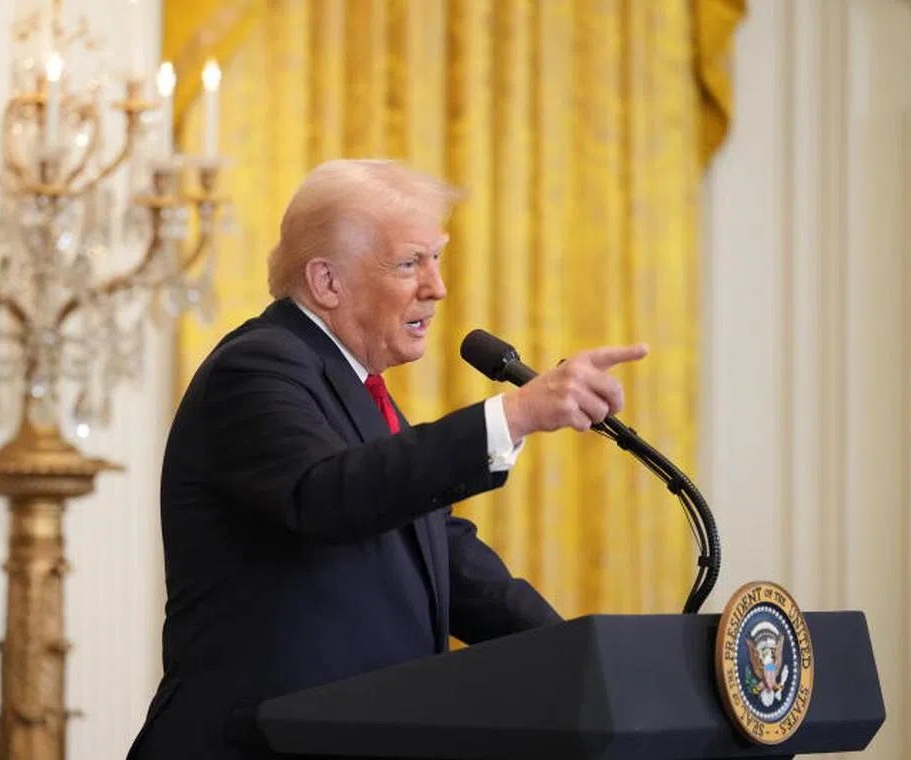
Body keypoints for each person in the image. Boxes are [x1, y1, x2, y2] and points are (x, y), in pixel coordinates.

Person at [126, 159, 647, 760]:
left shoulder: (358, 391)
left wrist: (591, 664)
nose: (437, 286)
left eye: (437, 258)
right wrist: (516, 414)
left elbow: (449, 562)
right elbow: (326, 496)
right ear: (327, 283)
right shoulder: (257, 367)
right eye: (409, 263)